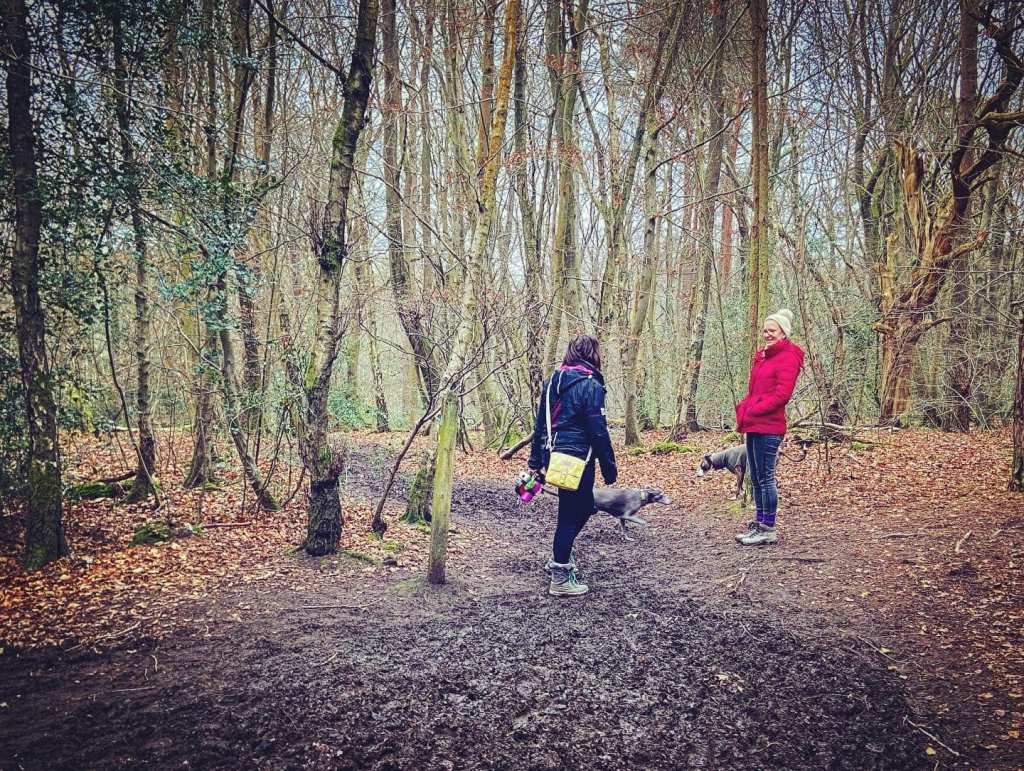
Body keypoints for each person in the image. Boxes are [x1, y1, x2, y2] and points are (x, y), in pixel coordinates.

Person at [528, 335, 617, 596]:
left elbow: (539, 426)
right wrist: (609, 467)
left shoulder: (552, 382)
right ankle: (560, 575)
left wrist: (536, 462)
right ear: (593, 354)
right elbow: (597, 429)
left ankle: (560, 554)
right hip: (578, 458)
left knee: (584, 506)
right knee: (571, 513)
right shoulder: (591, 386)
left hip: (553, 455)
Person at [734, 309, 804, 546]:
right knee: (755, 477)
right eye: (765, 330)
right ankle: (759, 523)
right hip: (754, 424)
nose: (767, 334)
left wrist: (754, 409)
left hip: (769, 426)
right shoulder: (763, 356)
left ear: (783, 333)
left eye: (772, 330)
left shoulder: (788, 357)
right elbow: (756, 391)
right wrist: (746, 408)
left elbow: (782, 394)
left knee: (766, 478)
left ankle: (768, 528)